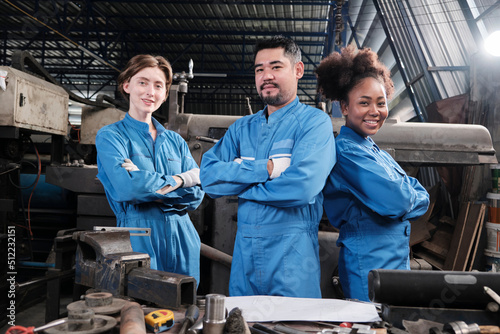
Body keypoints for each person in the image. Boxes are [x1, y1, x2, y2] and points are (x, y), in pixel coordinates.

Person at [200, 35, 336, 297]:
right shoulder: (241, 128)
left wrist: (241, 186)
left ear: (298, 70)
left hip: (292, 258)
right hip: (245, 258)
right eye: (259, 69)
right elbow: (209, 178)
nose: (266, 76)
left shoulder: (314, 124)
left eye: (276, 67)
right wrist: (269, 169)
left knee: (294, 326)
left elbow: (302, 187)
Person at [315, 45, 430, 302]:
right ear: (344, 107)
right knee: (370, 326)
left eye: (381, 103)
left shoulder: (373, 150)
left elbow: (420, 195)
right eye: (363, 102)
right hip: (367, 262)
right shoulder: (347, 152)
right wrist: (407, 199)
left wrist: (407, 198)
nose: (374, 111)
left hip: (393, 259)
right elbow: (399, 201)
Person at [95, 54, 204, 284]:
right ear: (127, 85)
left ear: (165, 94)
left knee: (184, 311)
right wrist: (181, 180)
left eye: (158, 85)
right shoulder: (111, 136)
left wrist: (148, 183)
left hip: (182, 236)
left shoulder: (175, 141)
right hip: (138, 234)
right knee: (140, 307)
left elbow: (196, 196)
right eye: (142, 82)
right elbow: (128, 188)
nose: (150, 92)